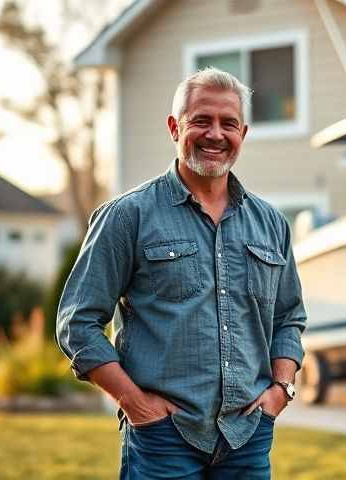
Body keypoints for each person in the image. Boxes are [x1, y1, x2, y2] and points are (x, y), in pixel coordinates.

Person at [55, 67, 306, 479]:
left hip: (248, 437)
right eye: (201, 121)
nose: (215, 134)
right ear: (175, 127)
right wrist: (133, 402)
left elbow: (289, 317)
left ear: (244, 133)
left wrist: (280, 390)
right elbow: (76, 323)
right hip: (163, 439)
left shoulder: (271, 224)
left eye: (228, 124)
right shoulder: (128, 216)